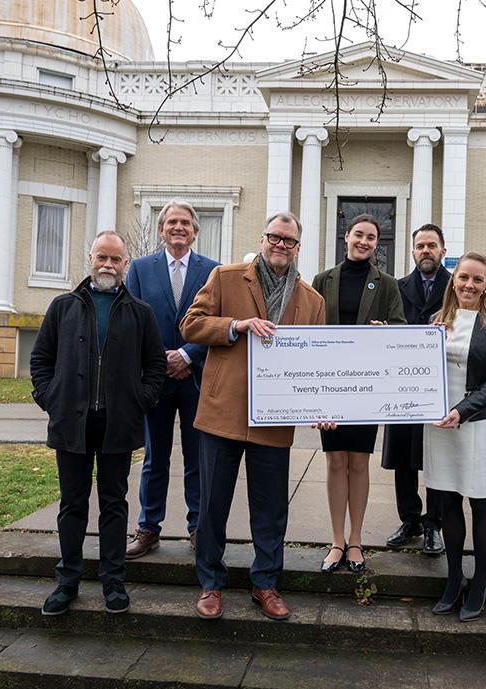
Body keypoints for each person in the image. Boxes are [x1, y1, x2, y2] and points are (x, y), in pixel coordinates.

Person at [180, 212, 326, 622]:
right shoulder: (226, 278)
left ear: (299, 248)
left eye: (290, 241)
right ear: (262, 239)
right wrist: (236, 325)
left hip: (274, 419)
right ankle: (210, 583)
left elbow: (316, 362)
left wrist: (322, 406)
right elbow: (190, 325)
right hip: (222, 412)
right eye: (275, 238)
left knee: (271, 508)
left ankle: (265, 583)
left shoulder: (312, 300)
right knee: (212, 505)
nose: (281, 246)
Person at [31, 231, 166, 616]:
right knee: (72, 504)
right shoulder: (63, 307)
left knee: (114, 504)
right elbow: (41, 360)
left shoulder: (140, 313)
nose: (108, 265)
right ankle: (67, 581)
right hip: (71, 422)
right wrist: (50, 398)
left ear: (126, 264)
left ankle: (113, 581)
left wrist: (142, 400)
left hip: (117, 424)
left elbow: (155, 366)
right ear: (90, 257)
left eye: (116, 259)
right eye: (101, 257)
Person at [124, 201, 220, 559]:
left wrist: (188, 355)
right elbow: (132, 320)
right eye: (171, 222)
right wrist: (161, 359)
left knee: (199, 458)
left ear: (195, 230)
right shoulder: (139, 269)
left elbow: (216, 321)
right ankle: (148, 528)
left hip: (197, 379)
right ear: (161, 229)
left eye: (185, 223)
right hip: (156, 378)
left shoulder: (213, 271)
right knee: (154, 457)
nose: (178, 227)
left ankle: (198, 529)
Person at [311, 214, 405, 573]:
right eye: (359, 235)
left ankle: (356, 541)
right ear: (346, 237)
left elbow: (399, 326)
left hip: (367, 385)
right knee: (335, 461)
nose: (364, 242)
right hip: (330, 382)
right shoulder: (323, 280)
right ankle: (336, 541)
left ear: (377, 244)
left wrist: (385, 330)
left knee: (359, 462)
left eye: (371, 238)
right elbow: (310, 328)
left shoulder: (386, 285)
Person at [423, 252, 486, 622]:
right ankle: (454, 578)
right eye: (463, 278)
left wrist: (463, 410)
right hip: (438, 424)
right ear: (453, 279)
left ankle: (478, 583)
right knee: (445, 500)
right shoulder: (436, 321)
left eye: (477, 280)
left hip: (475, 423)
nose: (469, 285)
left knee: (477, 499)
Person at [381, 224, 450, 555]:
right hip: (402, 385)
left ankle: (433, 524)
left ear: (442, 252)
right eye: (420, 245)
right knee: (403, 458)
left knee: (434, 456)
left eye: (432, 245)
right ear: (412, 252)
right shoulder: (397, 287)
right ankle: (409, 520)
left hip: (442, 387)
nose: (426, 250)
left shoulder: (457, 286)